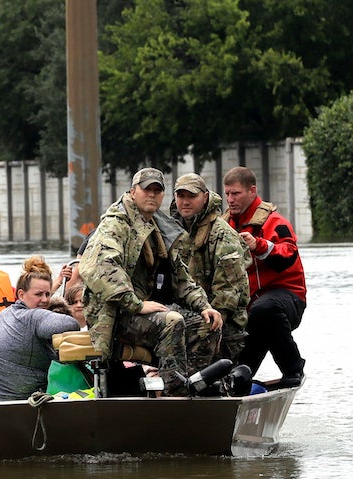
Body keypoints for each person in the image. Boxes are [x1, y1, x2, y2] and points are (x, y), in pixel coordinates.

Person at [79, 168, 223, 396]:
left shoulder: (159, 227)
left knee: (208, 325)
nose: (152, 195)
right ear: (133, 191)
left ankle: (193, 385)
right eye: (147, 190)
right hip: (116, 313)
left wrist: (205, 306)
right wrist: (136, 304)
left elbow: (182, 278)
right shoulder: (115, 224)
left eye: (158, 191)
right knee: (172, 321)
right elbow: (100, 268)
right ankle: (173, 393)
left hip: (145, 309)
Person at [223, 166, 307, 386]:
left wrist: (259, 245)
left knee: (264, 310)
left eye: (236, 193)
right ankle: (238, 383)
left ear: (252, 191)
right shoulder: (225, 225)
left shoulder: (275, 222)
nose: (230, 200)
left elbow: (288, 255)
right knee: (234, 372)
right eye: (227, 194)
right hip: (250, 309)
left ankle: (293, 369)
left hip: (287, 299)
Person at [170, 173, 251, 362]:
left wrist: (207, 322)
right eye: (181, 196)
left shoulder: (223, 235)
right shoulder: (174, 231)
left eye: (192, 196)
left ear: (205, 197)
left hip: (223, 326)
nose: (185, 202)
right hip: (188, 316)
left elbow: (228, 293)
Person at [0, 256, 81, 401]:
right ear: (21, 294)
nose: (45, 300)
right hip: (15, 402)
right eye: (38, 294)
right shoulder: (33, 318)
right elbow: (72, 324)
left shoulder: (5, 313)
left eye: (47, 294)